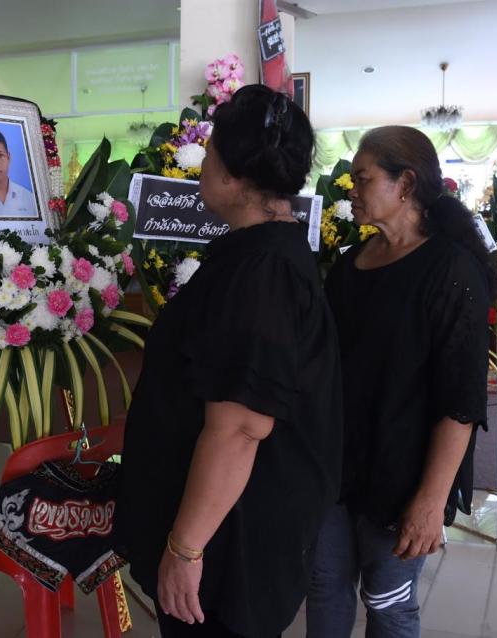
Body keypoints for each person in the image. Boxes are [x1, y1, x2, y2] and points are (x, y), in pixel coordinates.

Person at [116, 85, 343, 638]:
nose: (205, 160)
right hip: (233, 522)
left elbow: (240, 426)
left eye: (213, 148)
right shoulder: (261, 249)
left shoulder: (262, 271)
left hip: (231, 540)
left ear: (237, 176)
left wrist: (186, 548)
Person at [305, 126, 497, 638]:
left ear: (405, 184)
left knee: (388, 605)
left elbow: (460, 400)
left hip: (405, 475)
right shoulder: (349, 266)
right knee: (325, 589)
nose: (352, 189)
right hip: (337, 468)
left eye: (363, 179)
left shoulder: (451, 270)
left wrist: (431, 501)